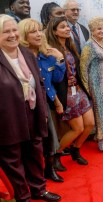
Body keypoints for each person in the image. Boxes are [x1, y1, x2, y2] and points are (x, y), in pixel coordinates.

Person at [0, 14, 61, 201]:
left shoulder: (26, 53)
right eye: (6, 31)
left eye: (14, 30)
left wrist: (42, 111)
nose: (12, 35)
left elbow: (40, 85)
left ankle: (39, 189)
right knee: (13, 159)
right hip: (7, 118)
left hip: (33, 113)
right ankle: (23, 196)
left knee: (35, 153)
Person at [18, 18, 66, 182]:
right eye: (33, 31)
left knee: (50, 139)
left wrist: (60, 60)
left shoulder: (47, 55)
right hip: (25, 106)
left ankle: (49, 170)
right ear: (24, 35)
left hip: (45, 104)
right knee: (32, 143)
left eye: (39, 30)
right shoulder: (19, 57)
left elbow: (56, 80)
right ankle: (31, 176)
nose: (38, 34)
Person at [46, 16, 95, 167]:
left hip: (78, 91)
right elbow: (51, 79)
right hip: (65, 94)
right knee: (77, 128)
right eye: (62, 27)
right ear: (54, 32)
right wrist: (56, 100)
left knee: (89, 124)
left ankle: (75, 150)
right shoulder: (50, 51)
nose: (67, 29)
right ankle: (56, 155)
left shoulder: (70, 45)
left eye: (67, 26)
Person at [80, 17, 103, 154]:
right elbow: (83, 68)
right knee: (102, 112)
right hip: (97, 84)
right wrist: (87, 89)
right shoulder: (89, 46)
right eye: (98, 29)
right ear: (92, 31)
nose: (102, 31)